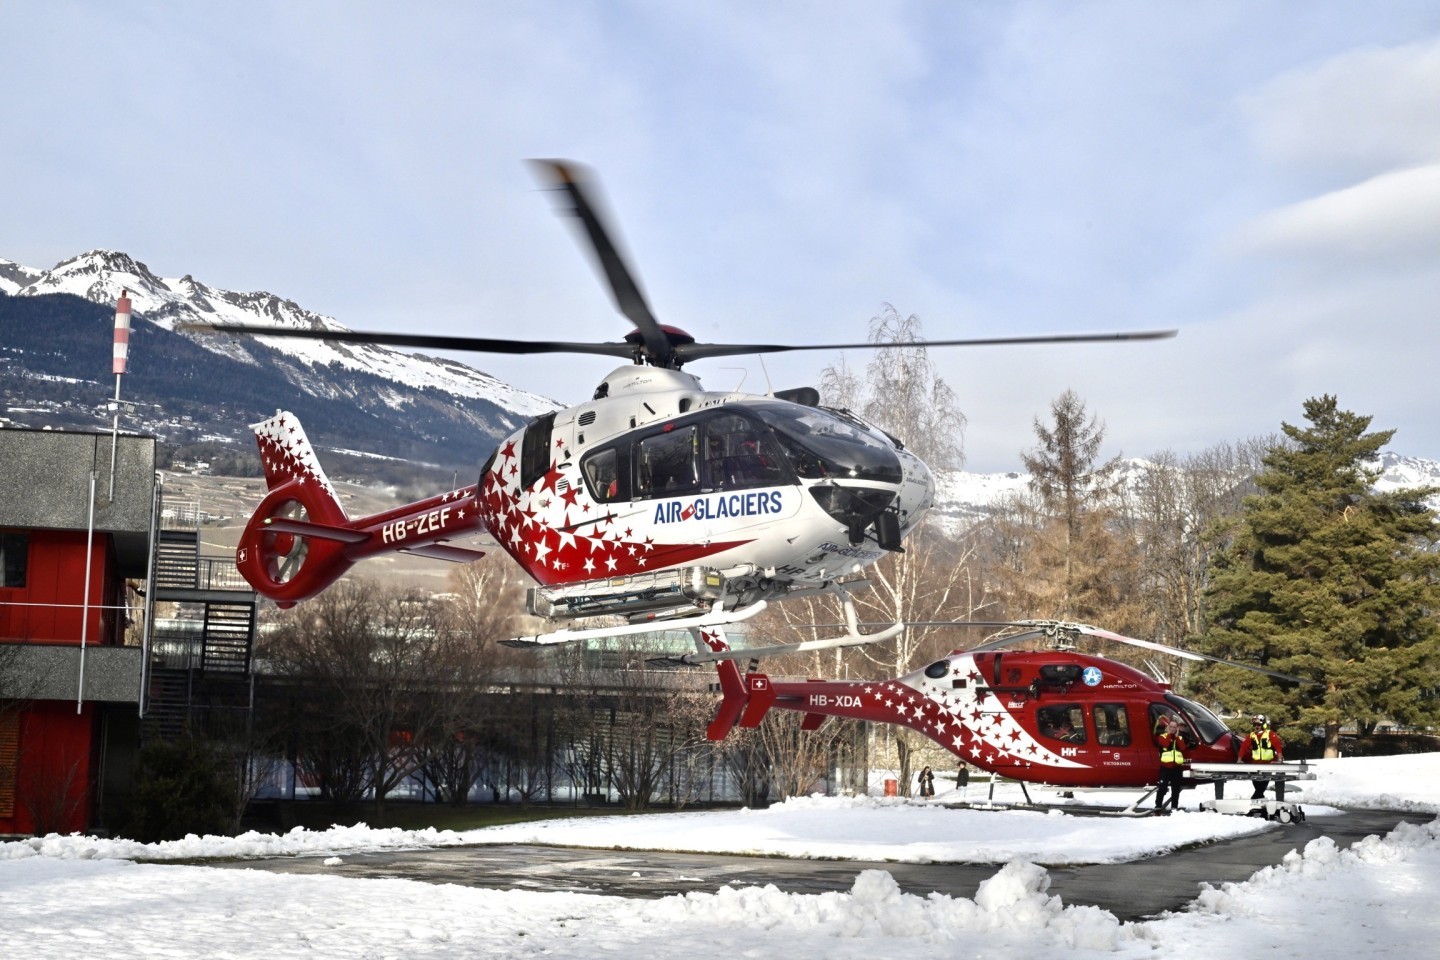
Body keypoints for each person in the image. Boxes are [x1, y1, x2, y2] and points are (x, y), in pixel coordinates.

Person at [1239, 713, 1285, 799]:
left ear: (1263, 724)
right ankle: (1259, 798)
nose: (1257, 727)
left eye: (1259, 725)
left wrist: (1279, 758)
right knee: (1257, 784)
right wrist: (1239, 759)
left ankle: (1255, 798)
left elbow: (1278, 746)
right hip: (1255, 764)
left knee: (1262, 784)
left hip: (1268, 764)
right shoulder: (1251, 736)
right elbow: (1243, 748)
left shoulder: (1270, 734)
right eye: (1255, 725)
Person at [1153, 715, 1190, 814]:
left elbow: (1183, 748)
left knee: (1176, 788)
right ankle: (1158, 805)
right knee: (1162, 787)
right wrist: (1169, 734)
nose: (1173, 729)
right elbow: (1165, 744)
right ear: (1168, 727)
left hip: (1176, 768)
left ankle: (1174, 806)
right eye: (1171, 727)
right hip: (1165, 767)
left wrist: (1177, 737)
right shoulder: (1163, 736)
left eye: (1174, 727)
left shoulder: (1179, 738)